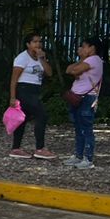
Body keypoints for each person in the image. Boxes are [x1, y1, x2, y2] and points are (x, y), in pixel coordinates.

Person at [8, 33, 56, 159]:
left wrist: (42, 59)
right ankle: (40, 148)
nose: (38, 44)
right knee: (42, 115)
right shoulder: (22, 58)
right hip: (24, 89)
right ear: (28, 44)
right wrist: (13, 97)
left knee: (23, 119)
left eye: (39, 41)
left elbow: (49, 73)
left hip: (35, 90)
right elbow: (14, 79)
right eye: (34, 42)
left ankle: (16, 148)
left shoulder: (39, 57)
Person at [63, 37, 103, 170]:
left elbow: (74, 71)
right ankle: (79, 156)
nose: (81, 49)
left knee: (86, 129)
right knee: (78, 128)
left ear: (92, 48)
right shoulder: (85, 60)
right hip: (78, 97)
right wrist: (80, 60)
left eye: (84, 46)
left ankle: (88, 158)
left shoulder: (94, 59)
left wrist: (80, 63)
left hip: (87, 99)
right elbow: (68, 69)